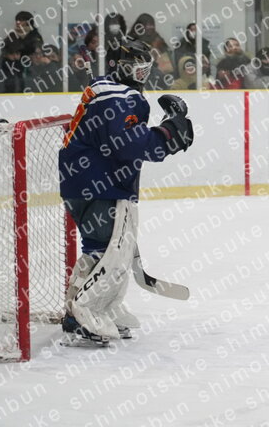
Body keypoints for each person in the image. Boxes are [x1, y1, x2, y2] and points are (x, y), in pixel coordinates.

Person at [58, 40, 194, 344]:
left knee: (103, 249)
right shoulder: (117, 96)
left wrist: (167, 131)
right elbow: (126, 144)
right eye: (136, 69)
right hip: (97, 185)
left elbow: (123, 139)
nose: (142, 76)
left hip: (89, 182)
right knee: (111, 253)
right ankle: (84, 313)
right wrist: (169, 134)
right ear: (119, 67)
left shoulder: (108, 91)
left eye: (145, 69)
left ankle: (97, 308)